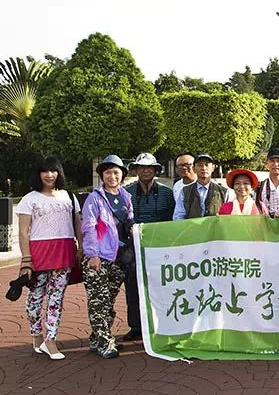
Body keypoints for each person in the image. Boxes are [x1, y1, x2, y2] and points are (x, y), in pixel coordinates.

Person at [15, 157, 82, 360]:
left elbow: (78, 224)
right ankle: (36, 334)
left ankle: (50, 340)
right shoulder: (29, 199)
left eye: (53, 170)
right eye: (45, 171)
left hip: (64, 251)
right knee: (34, 298)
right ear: (38, 174)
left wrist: (81, 246)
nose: (49, 175)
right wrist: (26, 259)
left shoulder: (69, 196)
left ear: (59, 173)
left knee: (56, 298)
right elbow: (23, 232)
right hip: (38, 254)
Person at [81, 155, 133, 359]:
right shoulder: (95, 198)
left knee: (108, 299)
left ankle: (97, 338)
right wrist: (92, 255)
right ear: (102, 175)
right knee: (98, 300)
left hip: (118, 258)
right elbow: (89, 227)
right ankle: (104, 342)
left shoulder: (126, 197)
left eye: (116, 172)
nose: (112, 176)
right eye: (108, 172)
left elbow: (129, 222)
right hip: (99, 257)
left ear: (122, 175)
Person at [122, 153, 174, 342]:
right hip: (134, 247)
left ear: (155, 170)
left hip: (160, 248)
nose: (145, 171)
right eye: (141, 167)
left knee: (161, 287)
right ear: (136, 170)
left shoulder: (167, 193)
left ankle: (162, 324)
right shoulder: (126, 192)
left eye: (149, 167)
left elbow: (172, 219)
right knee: (133, 286)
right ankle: (136, 327)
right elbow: (124, 219)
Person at [173, 153, 231, 220]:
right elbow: (178, 216)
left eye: (207, 165)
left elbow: (229, 217)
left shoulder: (224, 192)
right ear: (194, 169)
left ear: (213, 168)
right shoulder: (184, 191)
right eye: (200, 165)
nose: (204, 168)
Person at [256, 147, 279, 214]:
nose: (275, 164)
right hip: (266, 220)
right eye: (272, 161)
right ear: (267, 163)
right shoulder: (259, 187)